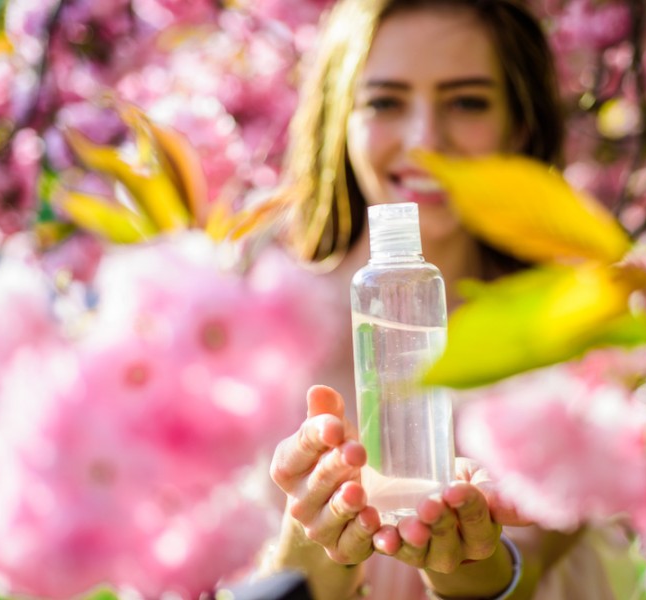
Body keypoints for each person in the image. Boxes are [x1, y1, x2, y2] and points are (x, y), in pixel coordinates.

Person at [262, 0, 623, 598]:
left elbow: (536, 557)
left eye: (467, 101)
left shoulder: (578, 320)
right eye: (385, 101)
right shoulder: (255, 322)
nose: (425, 140)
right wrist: (309, 560)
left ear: (521, 123)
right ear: (340, 117)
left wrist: (477, 569)